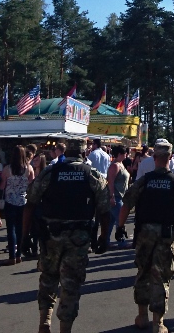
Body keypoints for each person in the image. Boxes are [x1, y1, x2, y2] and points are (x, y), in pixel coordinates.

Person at [26, 138, 112, 333]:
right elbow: (104, 210)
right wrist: (103, 236)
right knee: (70, 285)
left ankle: (44, 323)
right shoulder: (92, 176)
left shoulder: (50, 173)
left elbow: (30, 203)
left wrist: (25, 236)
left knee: (48, 279)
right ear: (84, 154)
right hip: (78, 239)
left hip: (50, 236)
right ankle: (65, 329)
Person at [119, 140, 174, 333]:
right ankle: (158, 322)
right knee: (162, 276)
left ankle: (142, 315)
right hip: (166, 235)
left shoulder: (144, 181)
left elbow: (127, 203)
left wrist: (120, 226)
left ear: (154, 158)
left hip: (144, 233)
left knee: (143, 272)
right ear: (170, 158)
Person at [1, 145, 34, 265]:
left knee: (11, 229)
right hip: (23, 201)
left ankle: (12, 256)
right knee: (21, 229)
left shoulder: (7, 169)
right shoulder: (29, 168)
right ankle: (19, 254)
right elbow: (32, 184)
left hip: (10, 201)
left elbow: (2, 185)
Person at [108, 144, 132, 244]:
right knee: (120, 220)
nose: (126, 154)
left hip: (121, 196)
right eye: (124, 153)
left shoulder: (120, 164)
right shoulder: (115, 166)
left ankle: (105, 241)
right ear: (119, 154)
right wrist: (112, 196)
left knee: (110, 222)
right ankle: (121, 241)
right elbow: (111, 182)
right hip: (117, 197)